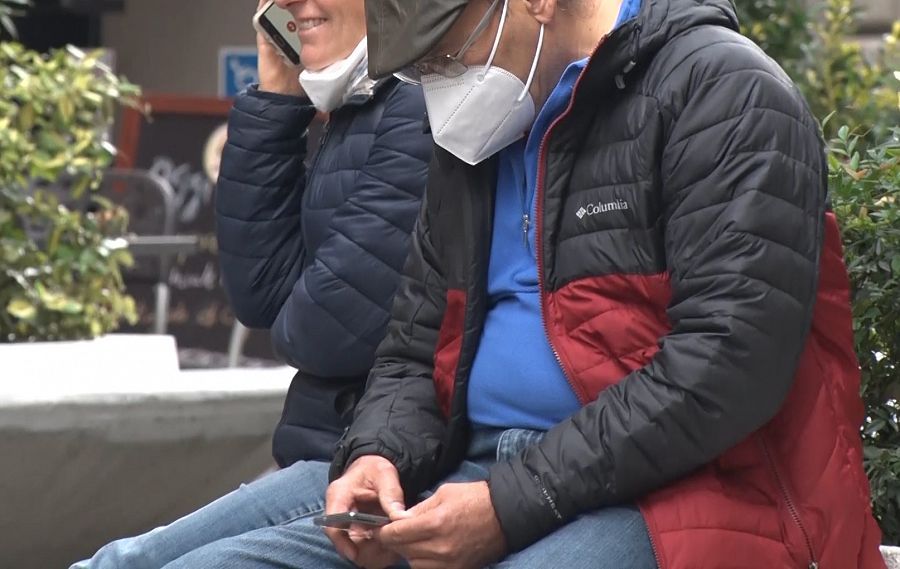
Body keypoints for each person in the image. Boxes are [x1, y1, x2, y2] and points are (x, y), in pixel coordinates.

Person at [143, 0, 888, 567]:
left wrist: (510, 503)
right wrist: (377, 454)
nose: (438, 84)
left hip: (684, 491)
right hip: (467, 471)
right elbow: (413, 345)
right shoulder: (486, 121)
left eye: (446, 52)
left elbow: (726, 366)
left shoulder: (723, 92)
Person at [70, 0, 431, 567]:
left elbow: (324, 333)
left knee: (123, 562)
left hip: (375, 464)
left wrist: (298, 304)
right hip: (329, 450)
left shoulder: (415, 101)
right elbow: (260, 293)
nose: (287, 3)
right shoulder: (354, 100)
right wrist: (277, 93)